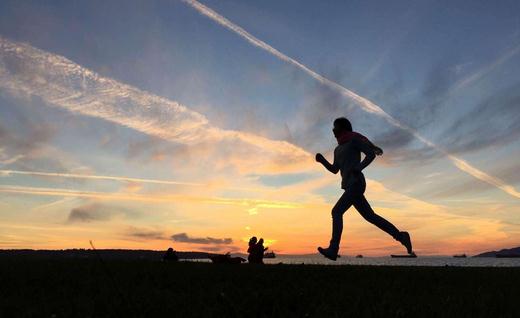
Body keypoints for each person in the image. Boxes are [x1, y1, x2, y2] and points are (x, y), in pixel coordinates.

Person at [316, 117, 413, 260]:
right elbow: (335, 169)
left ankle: (333, 248)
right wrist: (322, 161)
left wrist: (358, 167)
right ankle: (401, 236)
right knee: (371, 217)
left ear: (343, 128)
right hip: (348, 186)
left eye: (335, 127)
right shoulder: (337, 149)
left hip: (356, 183)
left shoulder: (354, 140)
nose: (333, 130)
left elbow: (370, 154)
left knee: (336, 211)